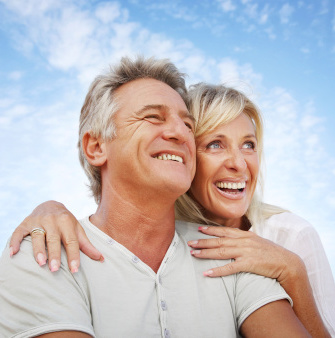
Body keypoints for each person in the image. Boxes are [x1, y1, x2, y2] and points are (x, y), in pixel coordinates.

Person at [0, 56, 309, 337]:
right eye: (153, 117)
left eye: (187, 124)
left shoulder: (232, 252)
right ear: (96, 146)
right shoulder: (43, 253)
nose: (180, 132)